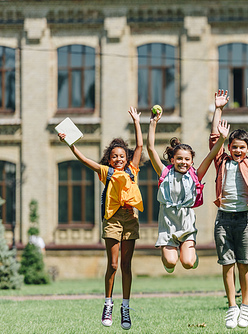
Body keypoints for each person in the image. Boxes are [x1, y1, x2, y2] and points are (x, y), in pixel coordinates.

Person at [58, 107, 144, 330]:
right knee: (113, 264)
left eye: (122, 156)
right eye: (114, 156)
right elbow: (86, 160)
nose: (118, 159)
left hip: (130, 219)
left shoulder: (133, 169)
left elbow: (141, 146)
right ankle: (108, 304)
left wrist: (136, 121)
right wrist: (70, 144)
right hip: (113, 220)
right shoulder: (107, 172)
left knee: (126, 265)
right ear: (110, 158)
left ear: (127, 159)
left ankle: (125, 307)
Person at [209, 90, 248, 329]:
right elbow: (215, 139)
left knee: (244, 264)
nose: (238, 150)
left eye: (242, 147)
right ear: (230, 147)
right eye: (234, 146)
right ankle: (232, 307)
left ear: (247, 148)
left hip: (244, 219)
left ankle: (245, 306)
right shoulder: (221, 160)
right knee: (227, 264)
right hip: (223, 219)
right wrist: (218, 109)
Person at [147, 108, 230, 273]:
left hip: (186, 226)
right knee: (170, 263)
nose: (183, 162)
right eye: (179, 159)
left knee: (188, 263)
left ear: (191, 162)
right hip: (167, 226)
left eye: (187, 159)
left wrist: (222, 139)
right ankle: (168, 260)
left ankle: (192, 256)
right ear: (172, 160)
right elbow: (150, 148)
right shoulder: (164, 173)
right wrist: (153, 123)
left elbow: (211, 156)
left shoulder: (195, 176)